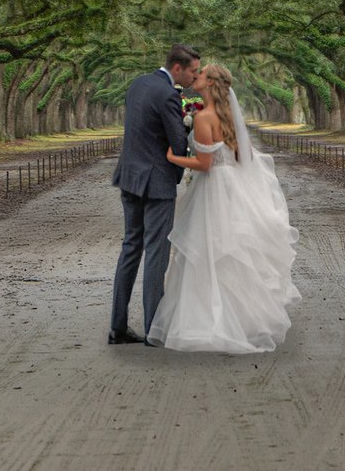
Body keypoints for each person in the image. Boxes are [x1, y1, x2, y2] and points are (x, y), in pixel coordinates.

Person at [149, 63, 301, 354]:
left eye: (202, 74)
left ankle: (208, 322)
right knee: (230, 253)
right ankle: (242, 320)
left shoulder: (205, 118)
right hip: (233, 189)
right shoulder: (227, 116)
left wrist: (173, 158)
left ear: (211, 84)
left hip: (213, 190)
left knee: (208, 253)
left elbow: (205, 164)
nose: (196, 77)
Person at [108, 43, 200, 345]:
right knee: (156, 253)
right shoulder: (169, 94)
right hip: (156, 182)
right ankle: (154, 330)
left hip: (129, 177)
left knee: (130, 247)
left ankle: (117, 327)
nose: (193, 77)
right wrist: (178, 172)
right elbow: (176, 140)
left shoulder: (138, 84)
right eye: (192, 71)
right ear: (177, 68)